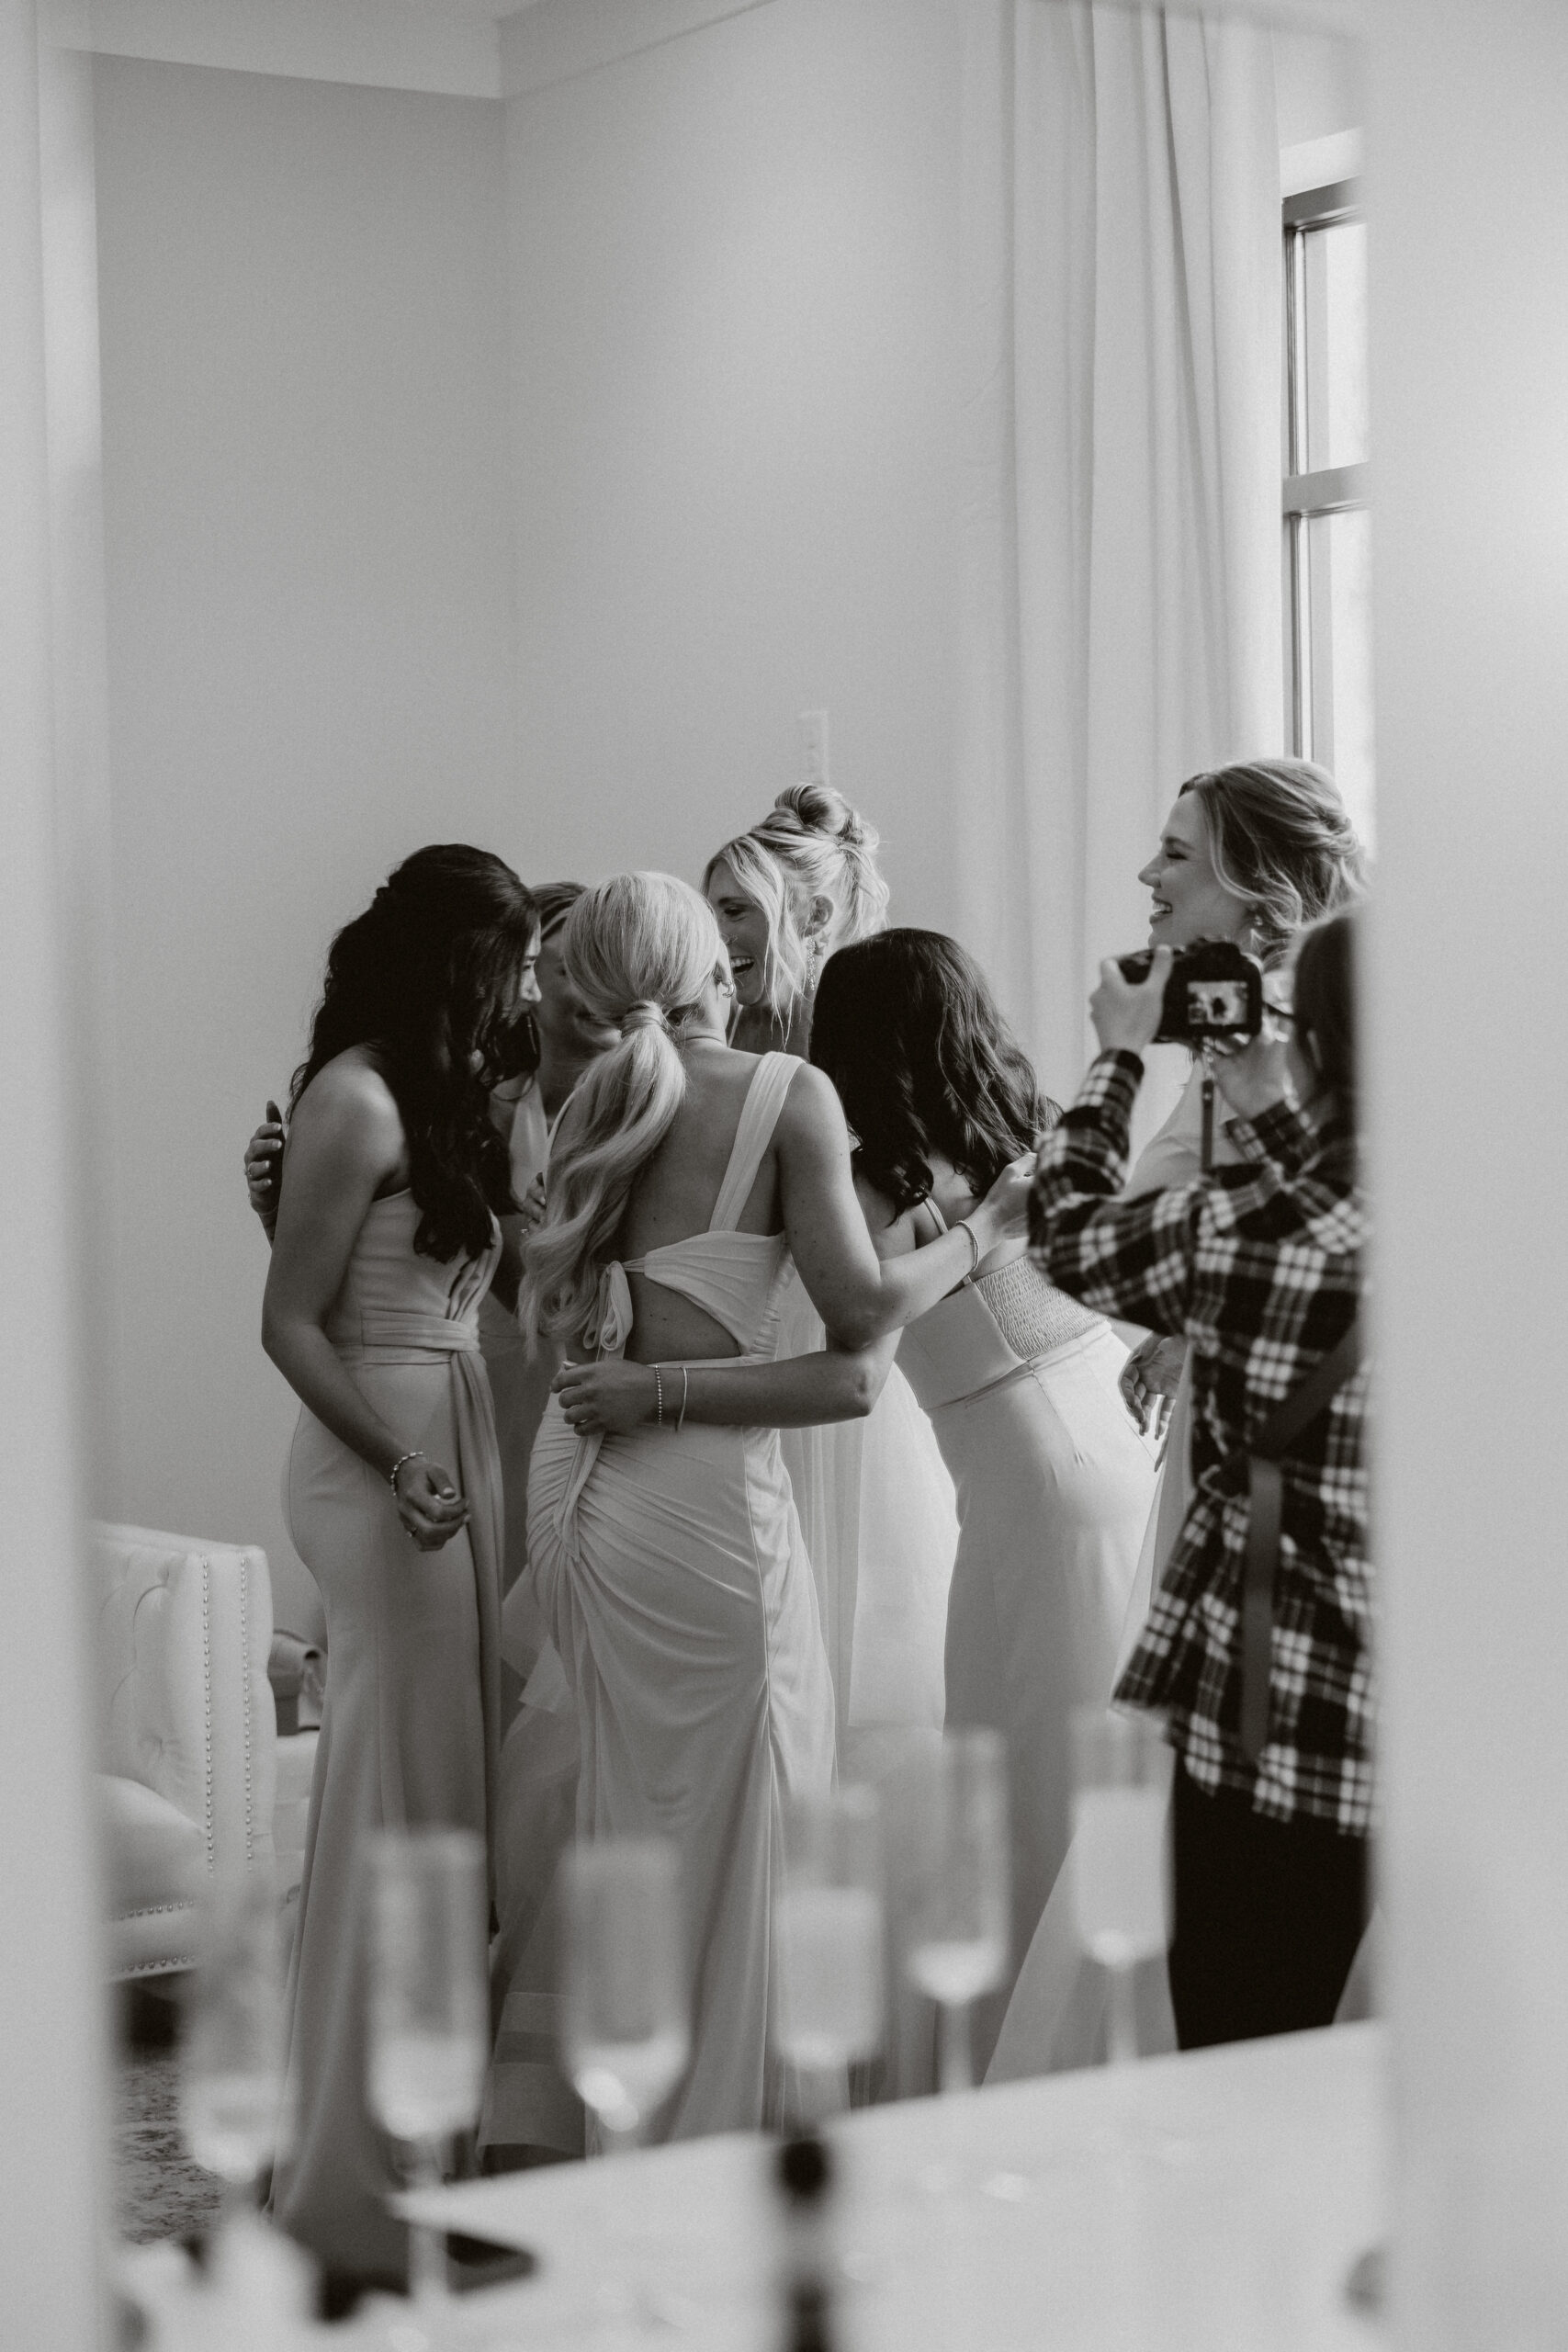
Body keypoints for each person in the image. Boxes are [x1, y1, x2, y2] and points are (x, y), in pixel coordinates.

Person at [519, 873, 1030, 2137]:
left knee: (631, 1826)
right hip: (700, 1504)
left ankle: (628, 2124)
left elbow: (549, 1319)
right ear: (715, 969)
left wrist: (643, 1388)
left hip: (582, 1496)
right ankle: (730, 2144)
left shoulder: (590, 1100)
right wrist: (980, 1229)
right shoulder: (786, 1094)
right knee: (753, 1822)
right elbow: (857, 1330)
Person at [807, 931, 1157, 2075]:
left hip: (1038, 1479)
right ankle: (1086, 2044)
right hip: (1103, 1444)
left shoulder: (886, 1178)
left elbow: (859, 1327)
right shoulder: (1032, 1134)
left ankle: (1036, 2061)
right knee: (1065, 1775)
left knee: (1029, 1796)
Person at [260, 845, 539, 2275]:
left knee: (443, 1804)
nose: (526, 992)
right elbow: (291, 1323)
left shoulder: (433, 1100)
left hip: (448, 1442)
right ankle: (362, 2181)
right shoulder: (355, 1098)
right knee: (402, 1806)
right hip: (382, 1463)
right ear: (457, 960)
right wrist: (400, 1461)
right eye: (511, 964)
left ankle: (422, 2143)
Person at [1031, 909, 1371, 2048]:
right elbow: (1328, 1207)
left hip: (1261, 1707)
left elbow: (1068, 1231)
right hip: (1392, 1709)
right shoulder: (1485, 1224)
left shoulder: (1242, 1234)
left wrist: (1120, 1052)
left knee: (1237, 2032)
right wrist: (1269, 1090)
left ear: (1315, 1047)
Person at [706, 788, 960, 1763]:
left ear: (808, 914)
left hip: (832, 1351)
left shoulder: (851, 1053)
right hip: (740, 1350)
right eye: (711, 907)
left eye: (738, 907)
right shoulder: (717, 1044)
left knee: (847, 1628)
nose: (716, 930)